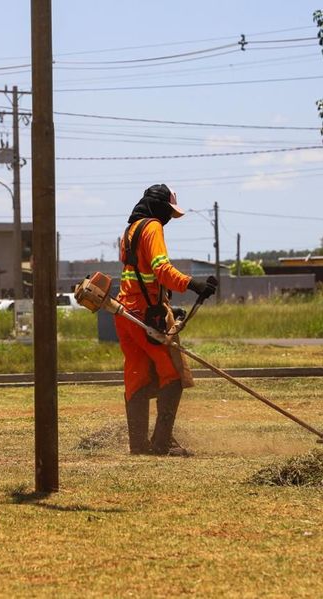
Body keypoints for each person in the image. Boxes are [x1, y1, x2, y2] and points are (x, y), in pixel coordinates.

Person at [116, 184, 217, 456]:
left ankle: (139, 444)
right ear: (159, 207)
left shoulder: (130, 230)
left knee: (136, 375)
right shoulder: (152, 228)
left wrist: (166, 303)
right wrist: (194, 284)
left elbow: (141, 274)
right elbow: (161, 269)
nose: (170, 218)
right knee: (172, 373)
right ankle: (161, 442)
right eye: (169, 212)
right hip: (146, 317)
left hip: (125, 313)